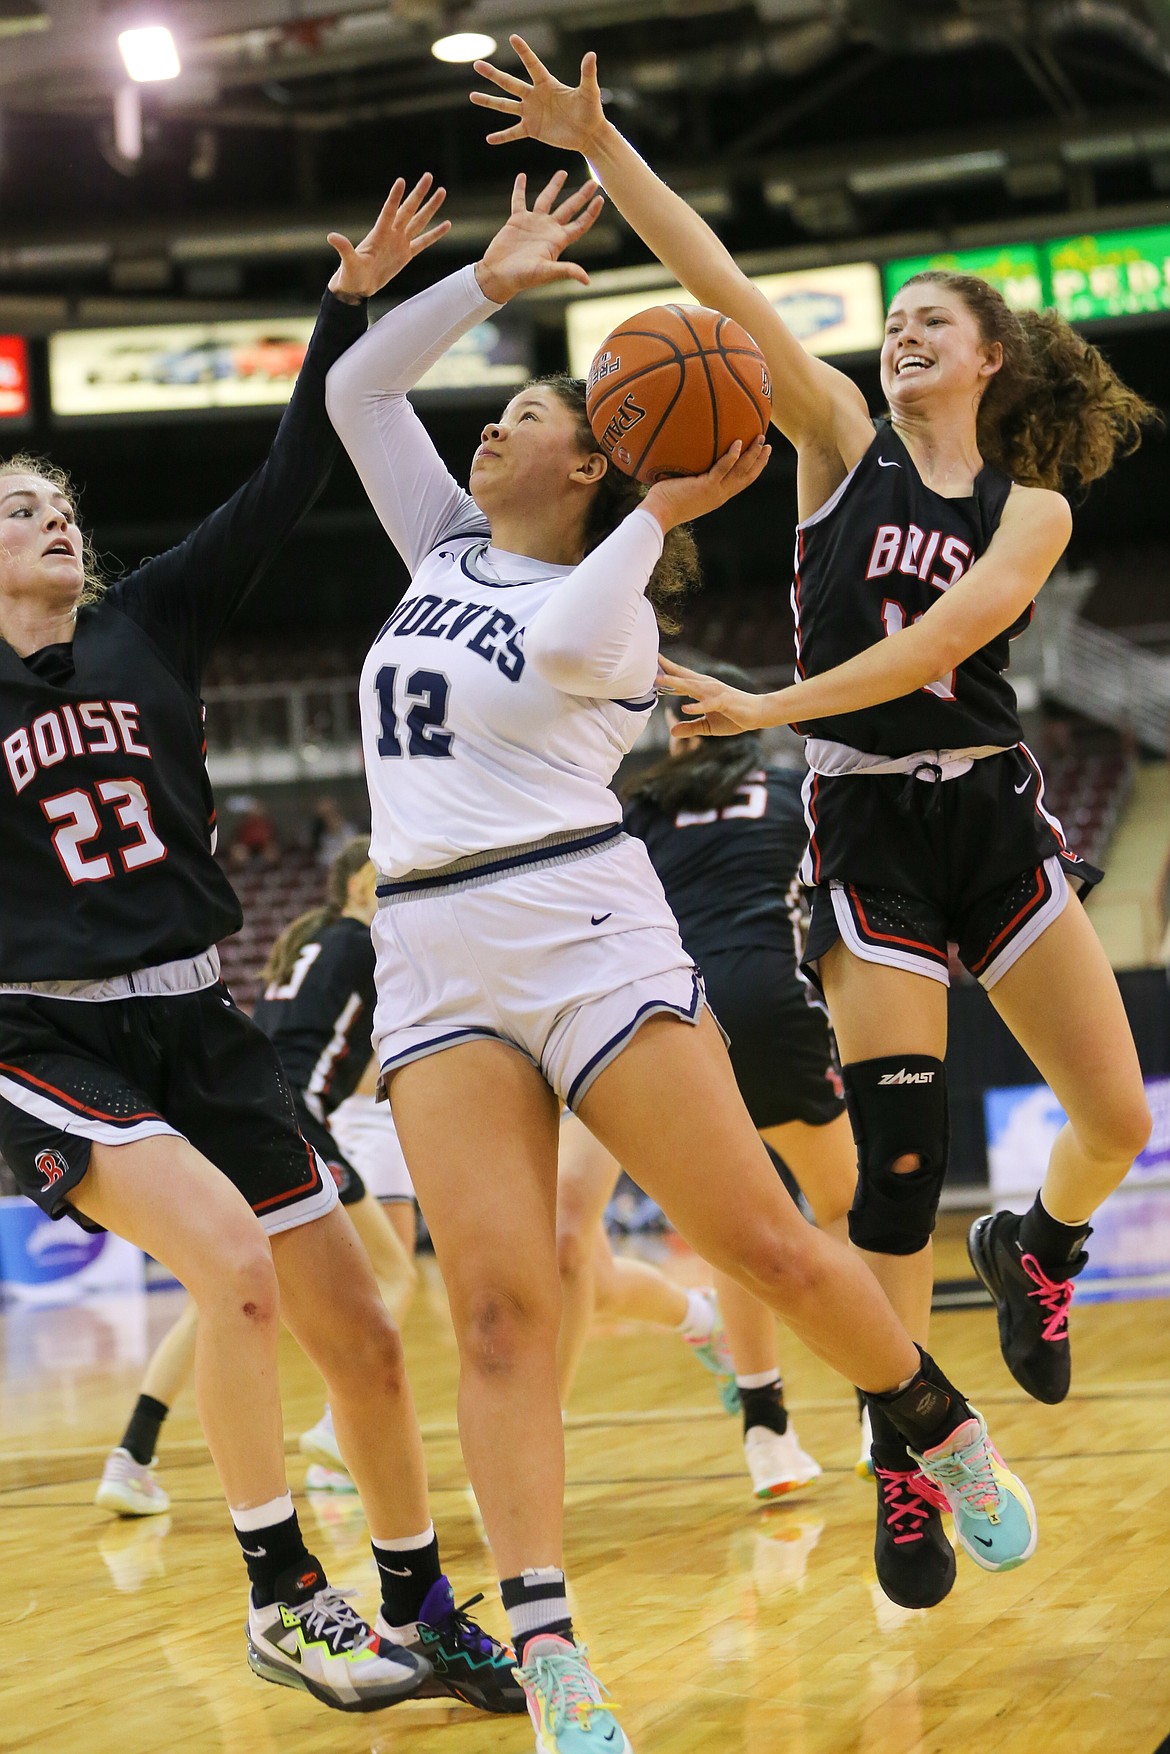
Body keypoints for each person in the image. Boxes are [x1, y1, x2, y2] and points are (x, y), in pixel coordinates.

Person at [325, 165, 1037, 1750]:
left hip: (583, 924)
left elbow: (576, 643)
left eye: (525, 415)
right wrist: (491, 284)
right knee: (500, 1314)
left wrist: (662, 505)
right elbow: (359, 380)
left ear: (601, 456)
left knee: (769, 1248)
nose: (487, 429)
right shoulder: (440, 538)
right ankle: (548, 1641)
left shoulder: (620, 609)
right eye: (496, 414)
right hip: (433, 947)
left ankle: (930, 1417)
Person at [469, 38, 1157, 1615]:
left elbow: (934, 651)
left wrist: (770, 708)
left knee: (1112, 1118)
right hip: (866, 839)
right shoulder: (833, 437)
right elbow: (705, 270)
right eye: (896, 317)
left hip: (986, 812)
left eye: (935, 321)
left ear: (989, 360)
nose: (904, 331)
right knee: (898, 1174)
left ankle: (1039, 1247)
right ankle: (902, 1463)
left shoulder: (1031, 504)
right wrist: (607, 136)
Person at [0, 172, 522, 1716]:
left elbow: (292, 470)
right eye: (17, 508)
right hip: (46, 1031)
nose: (49, 517)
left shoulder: (145, 619)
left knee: (359, 1327)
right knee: (228, 1269)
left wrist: (345, 307)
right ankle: (283, 1593)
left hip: (200, 1016)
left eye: (57, 507)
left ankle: (418, 1601)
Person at [96, 837, 420, 1511]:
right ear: (360, 886)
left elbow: (344, 1062)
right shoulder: (366, 946)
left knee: (214, 1297)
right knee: (394, 1275)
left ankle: (131, 1456)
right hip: (291, 1117)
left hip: (247, 1105)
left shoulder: (314, 944)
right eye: (385, 874)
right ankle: (339, 1430)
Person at [619, 662, 862, 1496]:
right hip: (770, 995)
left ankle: (765, 1431)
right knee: (843, 1204)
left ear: (677, 731)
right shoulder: (796, 787)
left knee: (734, 1226)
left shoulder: (640, 807)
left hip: (679, 1013)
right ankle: (880, 1404)